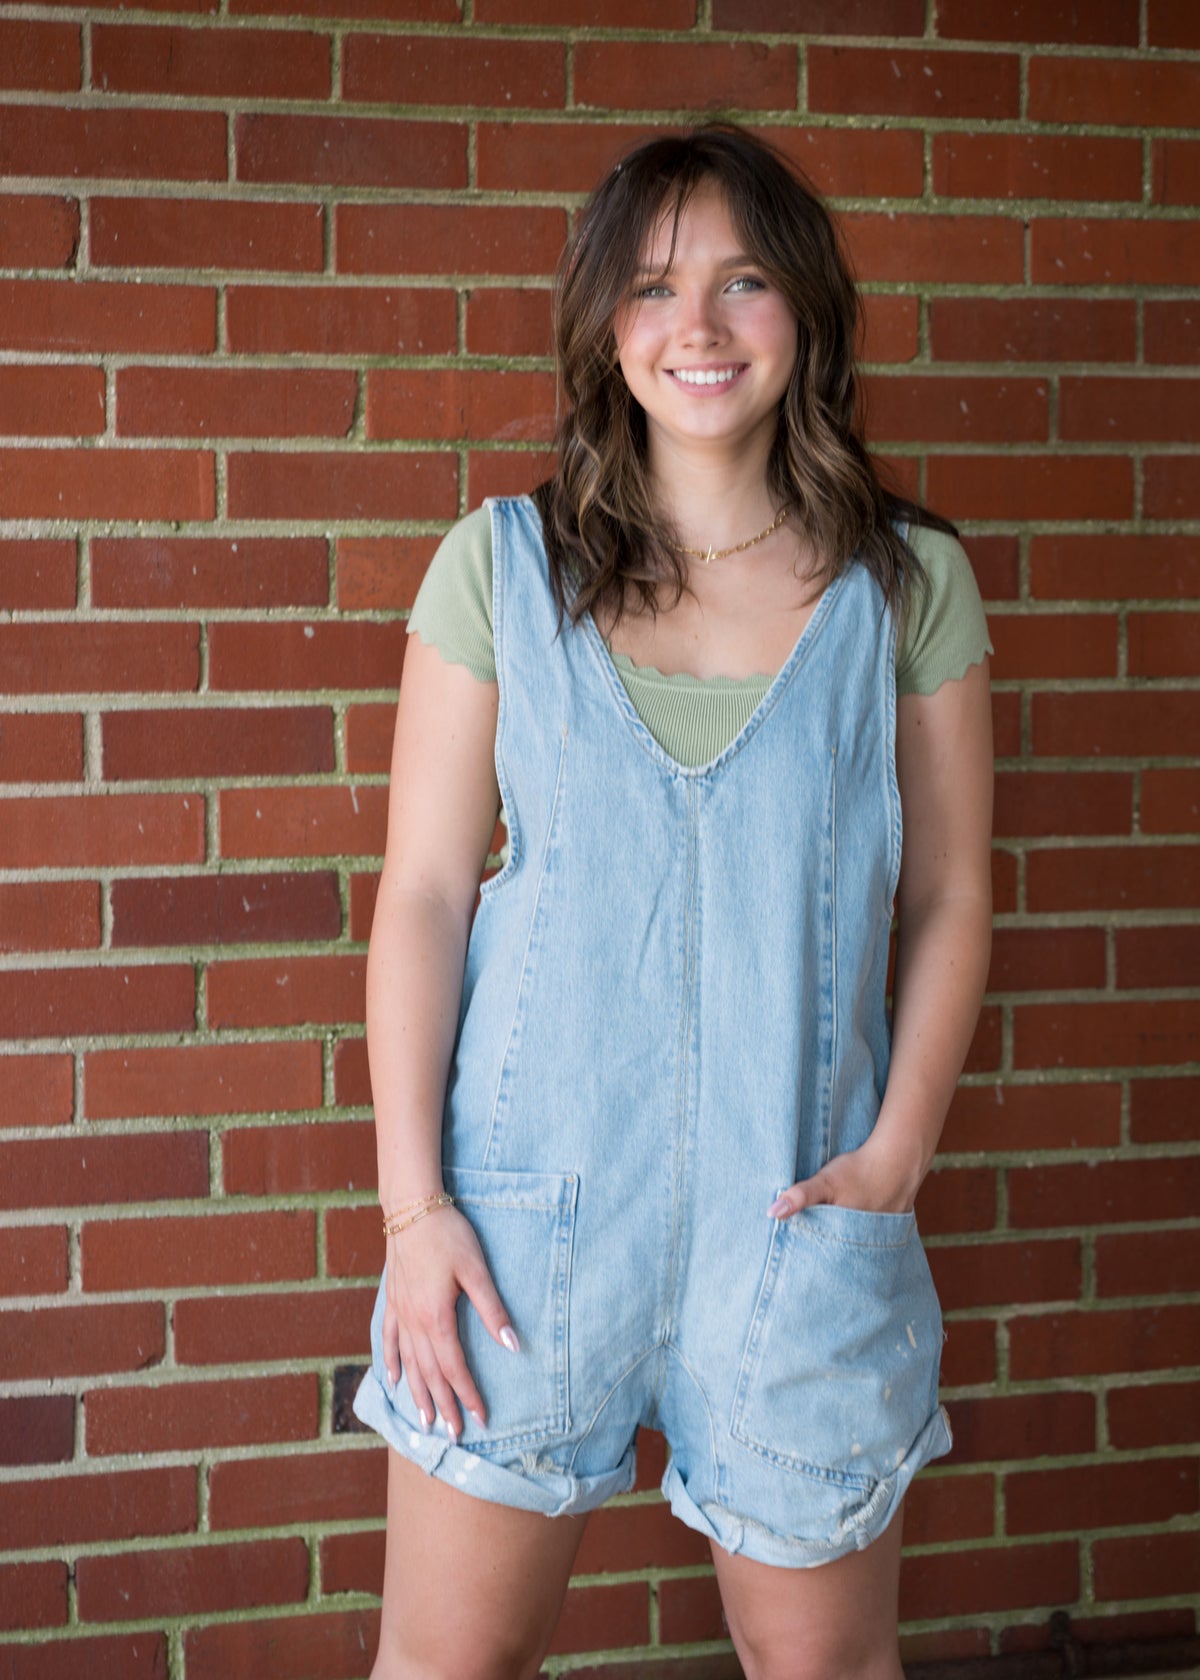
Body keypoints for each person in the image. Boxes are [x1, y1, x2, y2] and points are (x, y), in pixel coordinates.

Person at [354, 122, 993, 1680]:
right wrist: (413, 1211)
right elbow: (424, 895)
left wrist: (898, 1155)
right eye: (651, 286)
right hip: (517, 1238)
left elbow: (952, 890)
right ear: (605, 325)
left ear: (807, 309)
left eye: (742, 280)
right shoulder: (502, 570)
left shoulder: (905, 585)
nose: (696, 325)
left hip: (800, 1232)